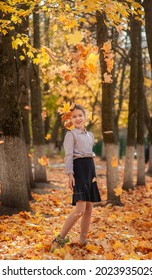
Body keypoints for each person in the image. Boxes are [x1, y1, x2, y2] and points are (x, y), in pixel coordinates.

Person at [50, 104, 101, 252]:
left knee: (89, 209)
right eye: (74, 116)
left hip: (90, 171)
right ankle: (58, 239)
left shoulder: (90, 135)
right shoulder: (70, 135)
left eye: (80, 115)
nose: (78, 118)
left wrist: (93, 174)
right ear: (70, 120)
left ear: (85, 117)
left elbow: (89, 155)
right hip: (78, 171)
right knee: (79, 210)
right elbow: (69, 156)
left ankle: (82, 241)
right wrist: (70, 174)